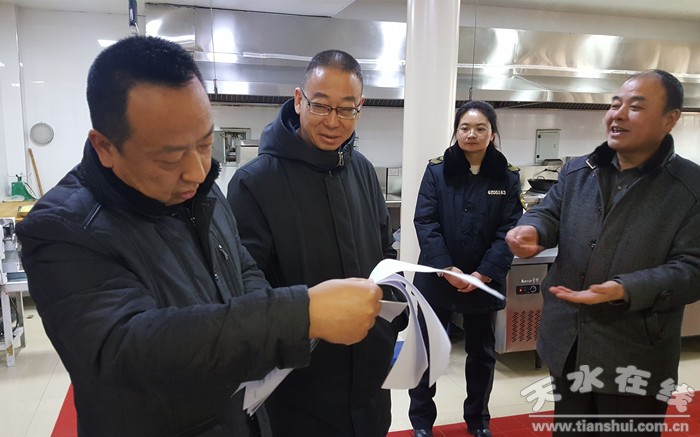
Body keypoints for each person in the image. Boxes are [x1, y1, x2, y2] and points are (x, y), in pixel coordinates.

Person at [14, 36, 385, 437]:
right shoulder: (63, 228)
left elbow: (244, 271)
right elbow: (130, 349)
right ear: (105, 147)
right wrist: (302, 313)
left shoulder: (202, 193)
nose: (196, 171)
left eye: (205, 144)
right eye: (170, 156)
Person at [506, 70, 700, 436]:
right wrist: (532, 230)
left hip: (635, 351)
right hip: (569, 342)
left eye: (635, 107)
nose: (618, 114)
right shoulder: (579, 170)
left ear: (670, 119)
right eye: (614, 104)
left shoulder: (689, 187)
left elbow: (693, 269)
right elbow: (548, 213)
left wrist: (625, 289)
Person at [227, 49, 401, 436]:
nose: (333, 122)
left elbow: (384, 251)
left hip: (371, 382)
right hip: (300, 391)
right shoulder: (255, 183)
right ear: (298, 100)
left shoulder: (362, 171)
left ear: (360, 107)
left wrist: (392, 311)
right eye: (320, 106)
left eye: (346, 109)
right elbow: (244, 293)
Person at [408, 101, 523, 437]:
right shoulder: (437, 171)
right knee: (427, 353)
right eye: (465, 128)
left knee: (482, 354)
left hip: (483, 280)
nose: (472, 134)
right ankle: (421, 422)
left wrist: (484, 273)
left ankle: (478, 420)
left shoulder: (507, 176)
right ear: (456, 131)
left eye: (480, 128)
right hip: (438, 277)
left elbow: (510, 230)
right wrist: (445, 267)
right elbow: (425, 221)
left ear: (492, 133)